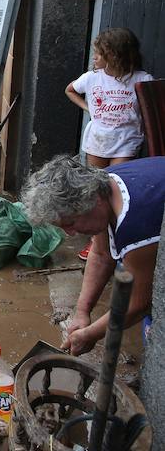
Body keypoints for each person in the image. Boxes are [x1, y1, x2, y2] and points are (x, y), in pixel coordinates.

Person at [22, 155, 165, 356]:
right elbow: (100, 254)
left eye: (70, 223)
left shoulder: (136, 225)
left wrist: (91, 334)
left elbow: (138, 303)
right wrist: (82, 312)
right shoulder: (100, 182)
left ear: (93, 201)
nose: (70, 234)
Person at [65, 27, 151, 169]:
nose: (95, 57)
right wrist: (88, 108)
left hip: (126, 140)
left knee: (116, 178)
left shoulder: (142, 79)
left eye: (100, 53)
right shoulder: (91, 78)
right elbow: (70, 90)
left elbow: (151, 109)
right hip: (98, 140)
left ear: (116, 55)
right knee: (96, 181)